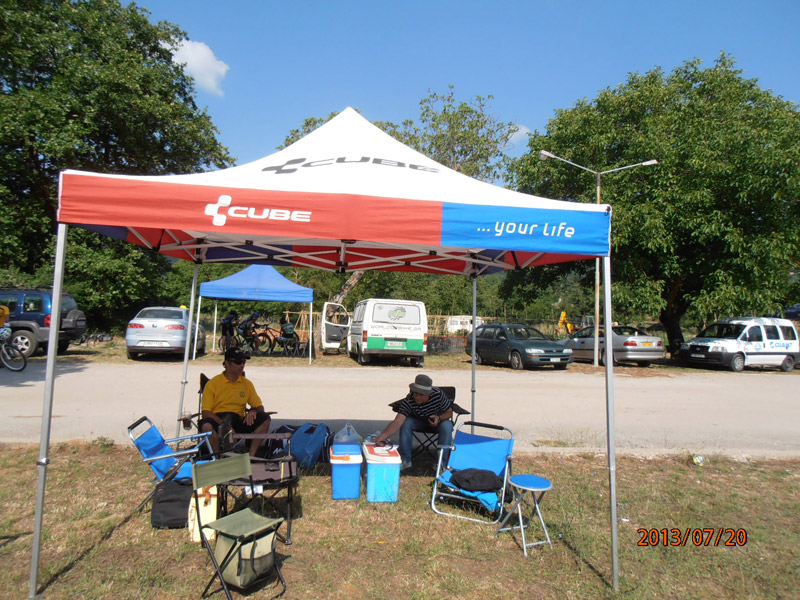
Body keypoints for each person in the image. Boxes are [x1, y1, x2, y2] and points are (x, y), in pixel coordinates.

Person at [199, 347, 272, 456]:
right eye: (238, 362)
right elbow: (206, 412)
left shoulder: (247, 384)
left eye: (244, 362)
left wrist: (253, 410)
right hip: (218, 419)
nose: (242, 365)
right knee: (206, 426)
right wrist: (224, 425)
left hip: (237, 419)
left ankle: (251, 457)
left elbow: (259, 406)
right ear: (227, 363)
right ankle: (216, 458)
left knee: (265, 418)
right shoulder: (213, 384)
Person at [374, 374, 453, 471]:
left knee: (447, 425)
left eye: (421, 394)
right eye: (416, 393)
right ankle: (405, 460)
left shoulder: (438, 395)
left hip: (438, 422)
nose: (417, 397)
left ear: (428, 394)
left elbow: (449, 412)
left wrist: (439, 418)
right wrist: (382, 437)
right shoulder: (409, 400)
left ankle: (441, 464)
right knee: (406, 422)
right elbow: (398, 421)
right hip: (419, 422)